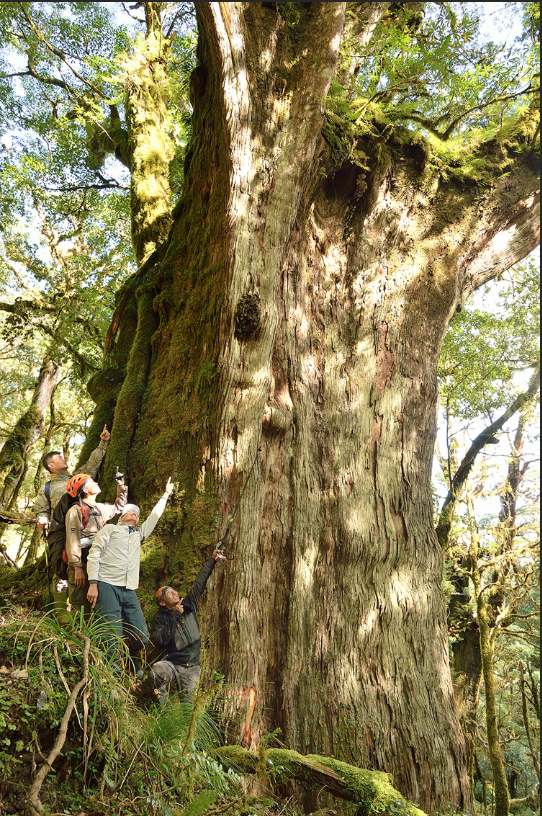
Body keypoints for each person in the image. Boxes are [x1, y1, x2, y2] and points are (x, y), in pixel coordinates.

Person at [86, 478, 175, 676]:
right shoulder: (110, 529)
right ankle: (114, 675)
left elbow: (154, 517)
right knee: (112, 635)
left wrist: (166, 494)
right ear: (121, 517)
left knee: (141, 635)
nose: (134, 514)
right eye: (130, 511)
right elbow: (95, 553)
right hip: (106, 584)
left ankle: (134, 663)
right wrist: (93, 583)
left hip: (128, 588)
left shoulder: (138, 535)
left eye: (137, 513)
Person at [32, 425, 112, 624]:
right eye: (58, 458)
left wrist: (103, 443)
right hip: (59, 534)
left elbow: (91, 466)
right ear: (50, 465)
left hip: (82, 530)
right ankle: (63, 619)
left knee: (84, 568)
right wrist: (42, 519)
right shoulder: (47, 488)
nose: (63, 459)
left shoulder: (75, 479)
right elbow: (42, 509)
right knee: (60, 572)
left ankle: (86, 617)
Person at [150, 549, 226, 704]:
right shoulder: (161, 619)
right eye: (168, 593)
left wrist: (212, 559)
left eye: (173, 590)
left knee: (189, 707)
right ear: (163, 603)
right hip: (172, 664)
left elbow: (200, 581)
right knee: (156, 671)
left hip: (191, 666)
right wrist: (175, 615)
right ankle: (164, 712)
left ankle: (183, 726)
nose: (174, 593)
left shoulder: (189, 605)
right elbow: (160, 639)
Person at [65, 472, 127, 617]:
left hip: (98, 562)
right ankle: (78, 634)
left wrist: (120, 485)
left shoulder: (99, 508)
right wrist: (77, 567)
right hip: (82, 563)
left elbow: (119, 507)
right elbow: (72, 540)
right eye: (92, 481)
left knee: (98, 602)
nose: (96, 482)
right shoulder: (75, 511)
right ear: (85, 490)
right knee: (80, 603)